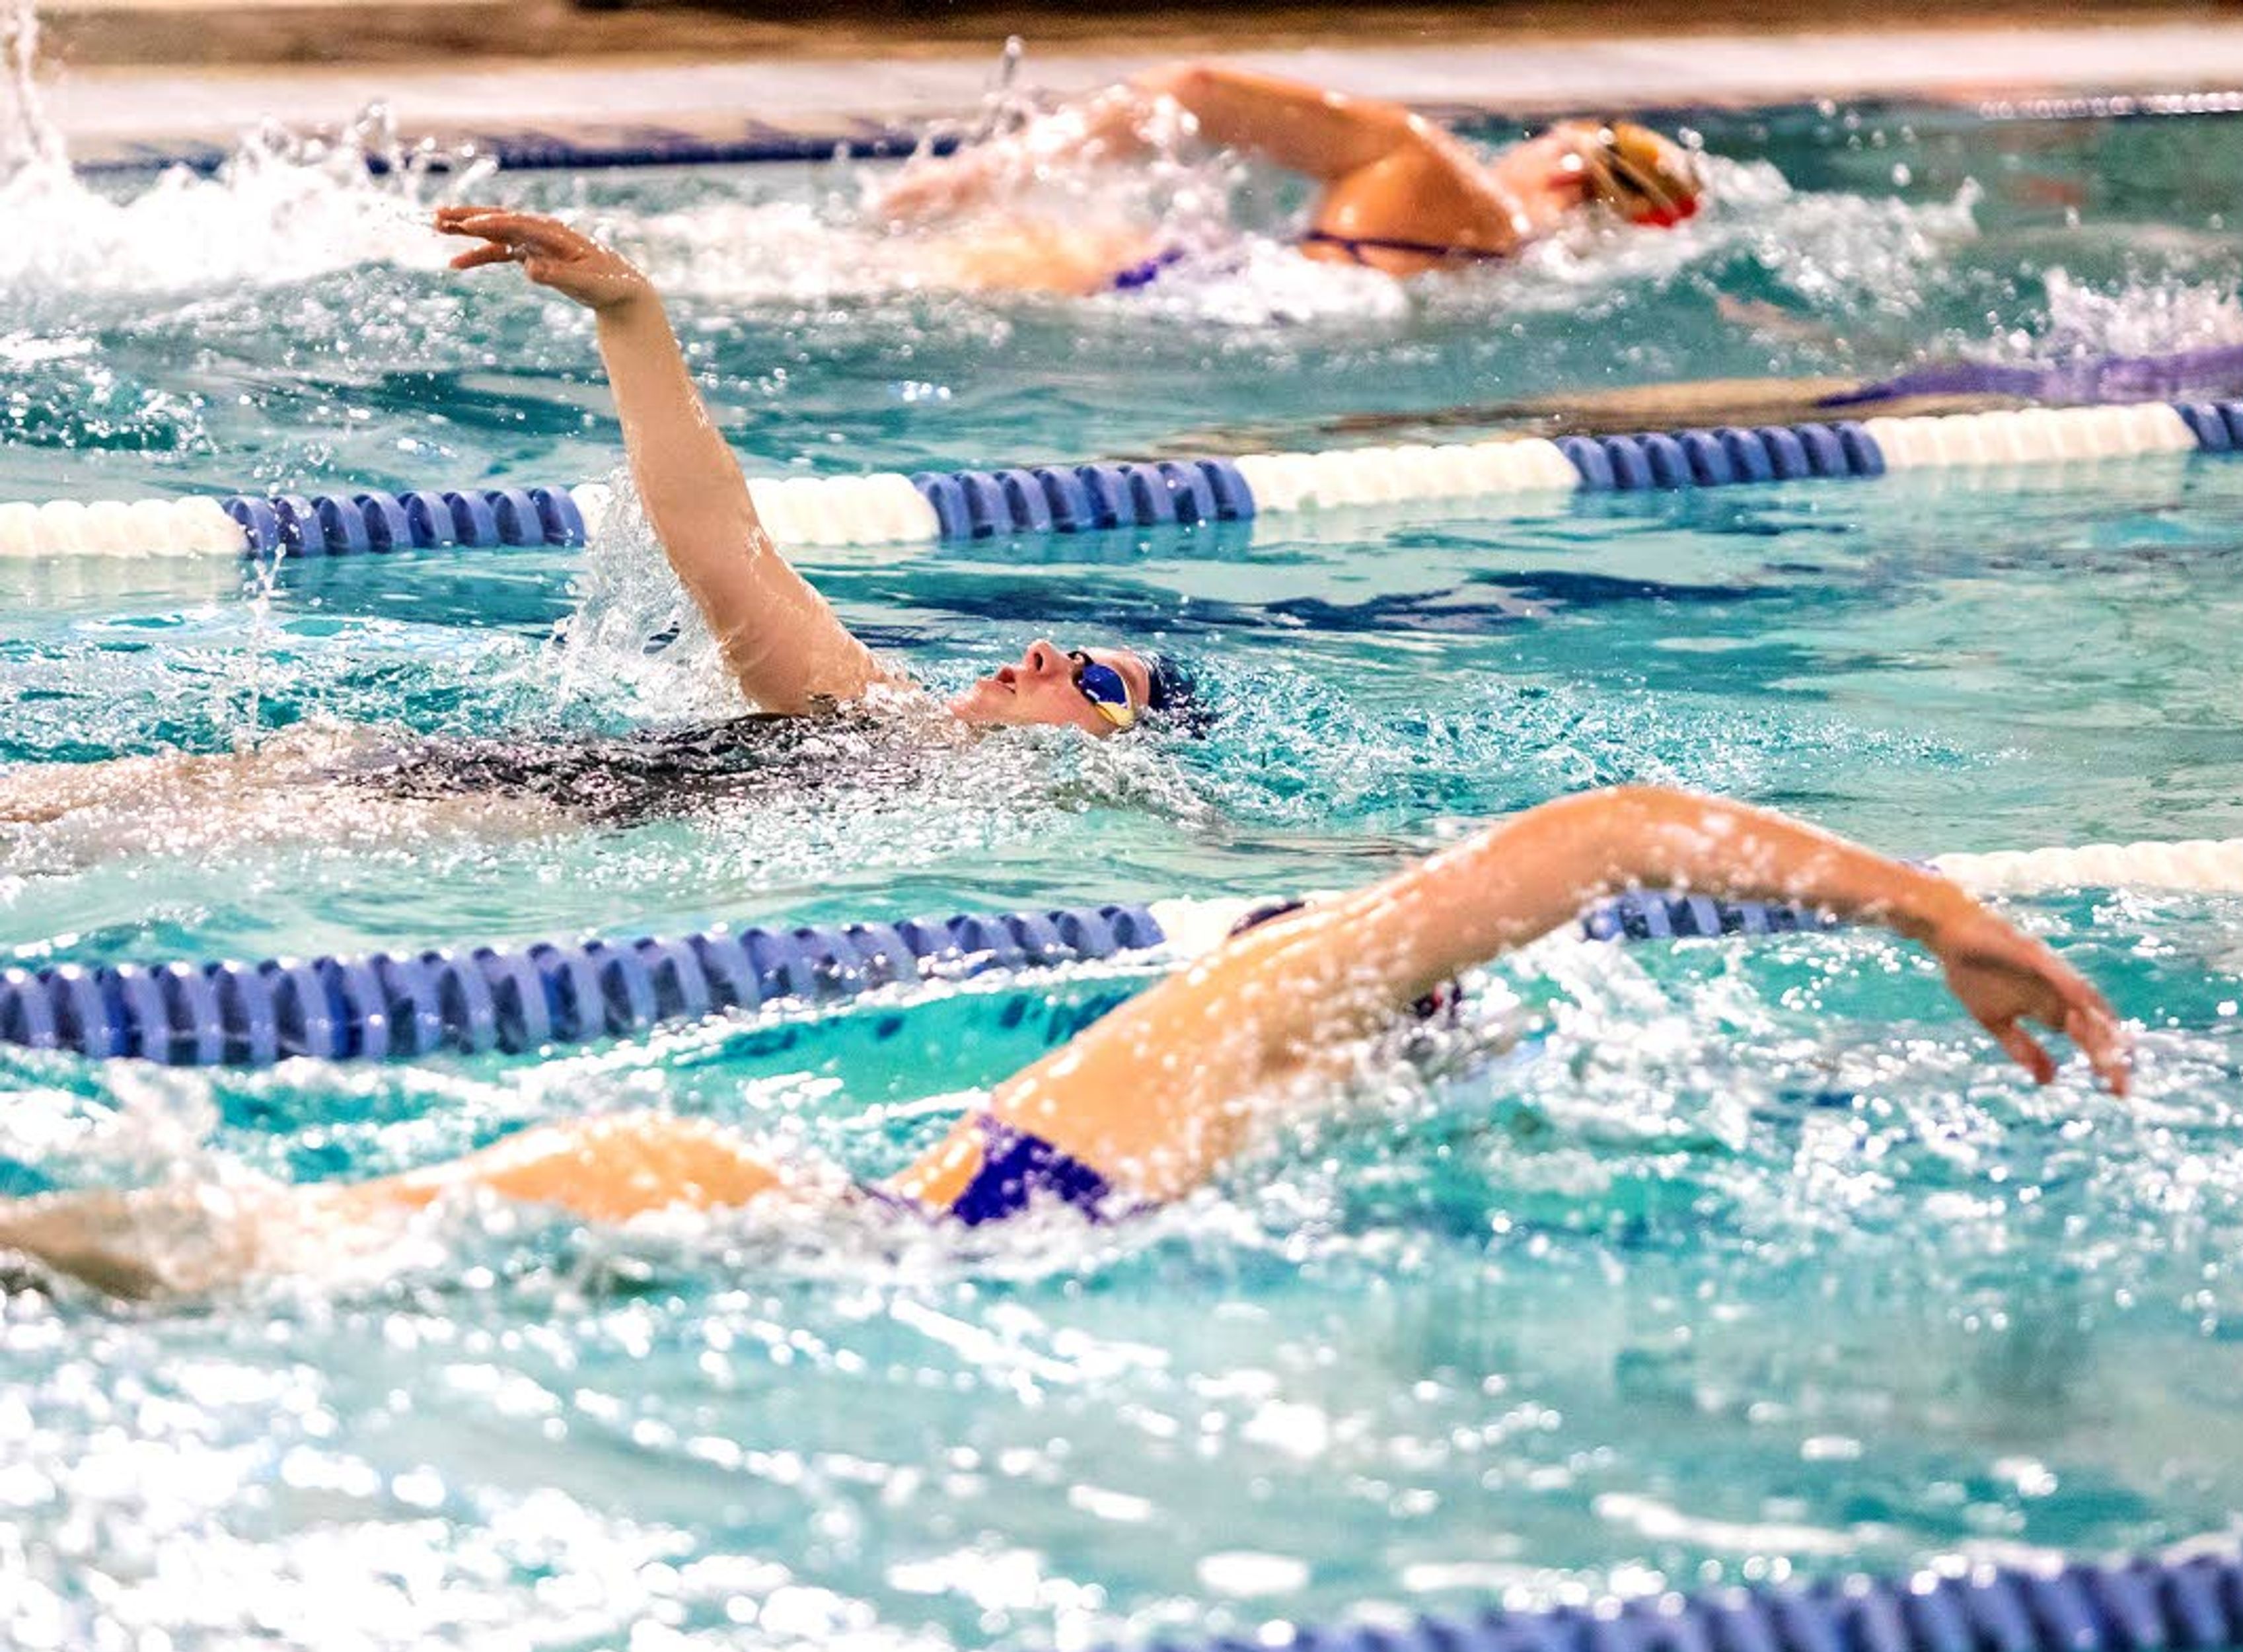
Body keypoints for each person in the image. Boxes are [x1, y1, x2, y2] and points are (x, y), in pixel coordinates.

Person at [0, 783, 2129, 1300]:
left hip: (835, 1223)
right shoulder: (1293, 987)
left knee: (237, 1258)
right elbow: (1594, 837)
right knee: (229, 1249)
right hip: (787, 1208)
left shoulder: (1260, 1073)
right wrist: (1931, 902)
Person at [0, 209, 1206, 844]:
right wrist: (633, 311)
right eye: (1072, 644)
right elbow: (716, 535)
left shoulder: (987, 806)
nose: (1050, 652)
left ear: (1119, 754)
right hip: (414, 787)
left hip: (447, 830)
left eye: (1096, 676)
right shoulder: (868, 710)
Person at [1296, 222, 2243, 442]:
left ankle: (1388, 425)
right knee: (1612, 417)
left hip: (1983, 413)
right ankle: (1414, 422)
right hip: (1966, 387)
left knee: (1606, 422)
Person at [869, 61, 1706, 292]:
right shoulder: (1516, 253)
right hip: (1235, 298)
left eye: (1552, 136)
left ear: (1567, 169)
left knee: (874, 270)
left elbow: (1195, 89)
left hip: (1191, 289)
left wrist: (980, 172)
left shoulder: (1425, 160)